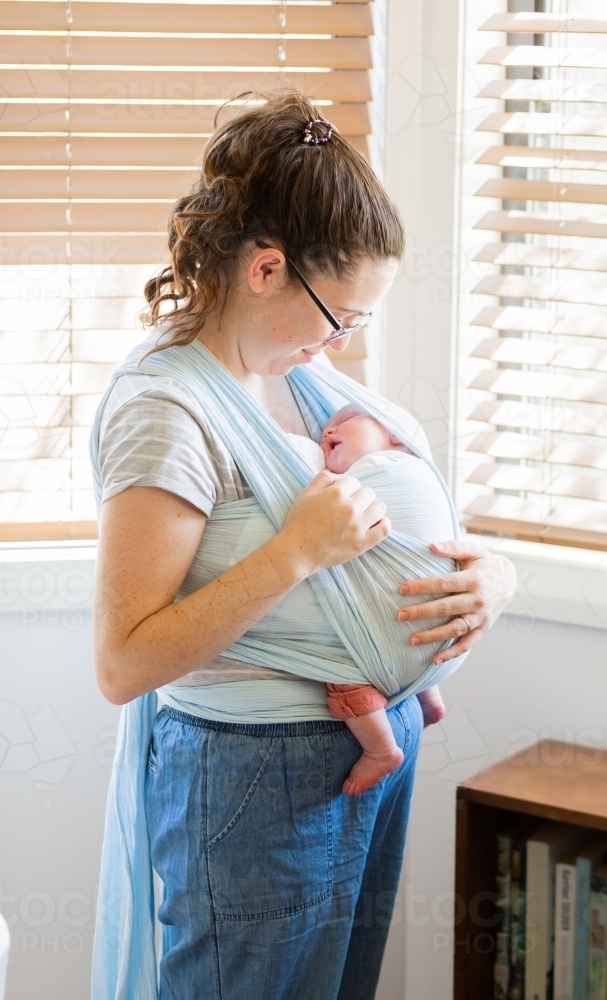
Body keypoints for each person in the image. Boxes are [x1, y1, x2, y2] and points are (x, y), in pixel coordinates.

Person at [92, 91, 517, 1000]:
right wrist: (294, 553)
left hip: (369, 744)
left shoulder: (300, 379)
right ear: (267, 269)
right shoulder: (167, 411)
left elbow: (396, 511)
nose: (341, 343)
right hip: (256, 772)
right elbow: (125, 663)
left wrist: (491, 578)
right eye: (341, 317)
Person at [286, 403, 451, 796]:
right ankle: (428, 694)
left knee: (341, 669)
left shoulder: (384, 470)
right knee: (410, 639)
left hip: (400, 621)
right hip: (434, 632)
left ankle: (381, 749)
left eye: (344, 422)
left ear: (396, 433)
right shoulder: (422, 475)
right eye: (323, 433)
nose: (327, 432)